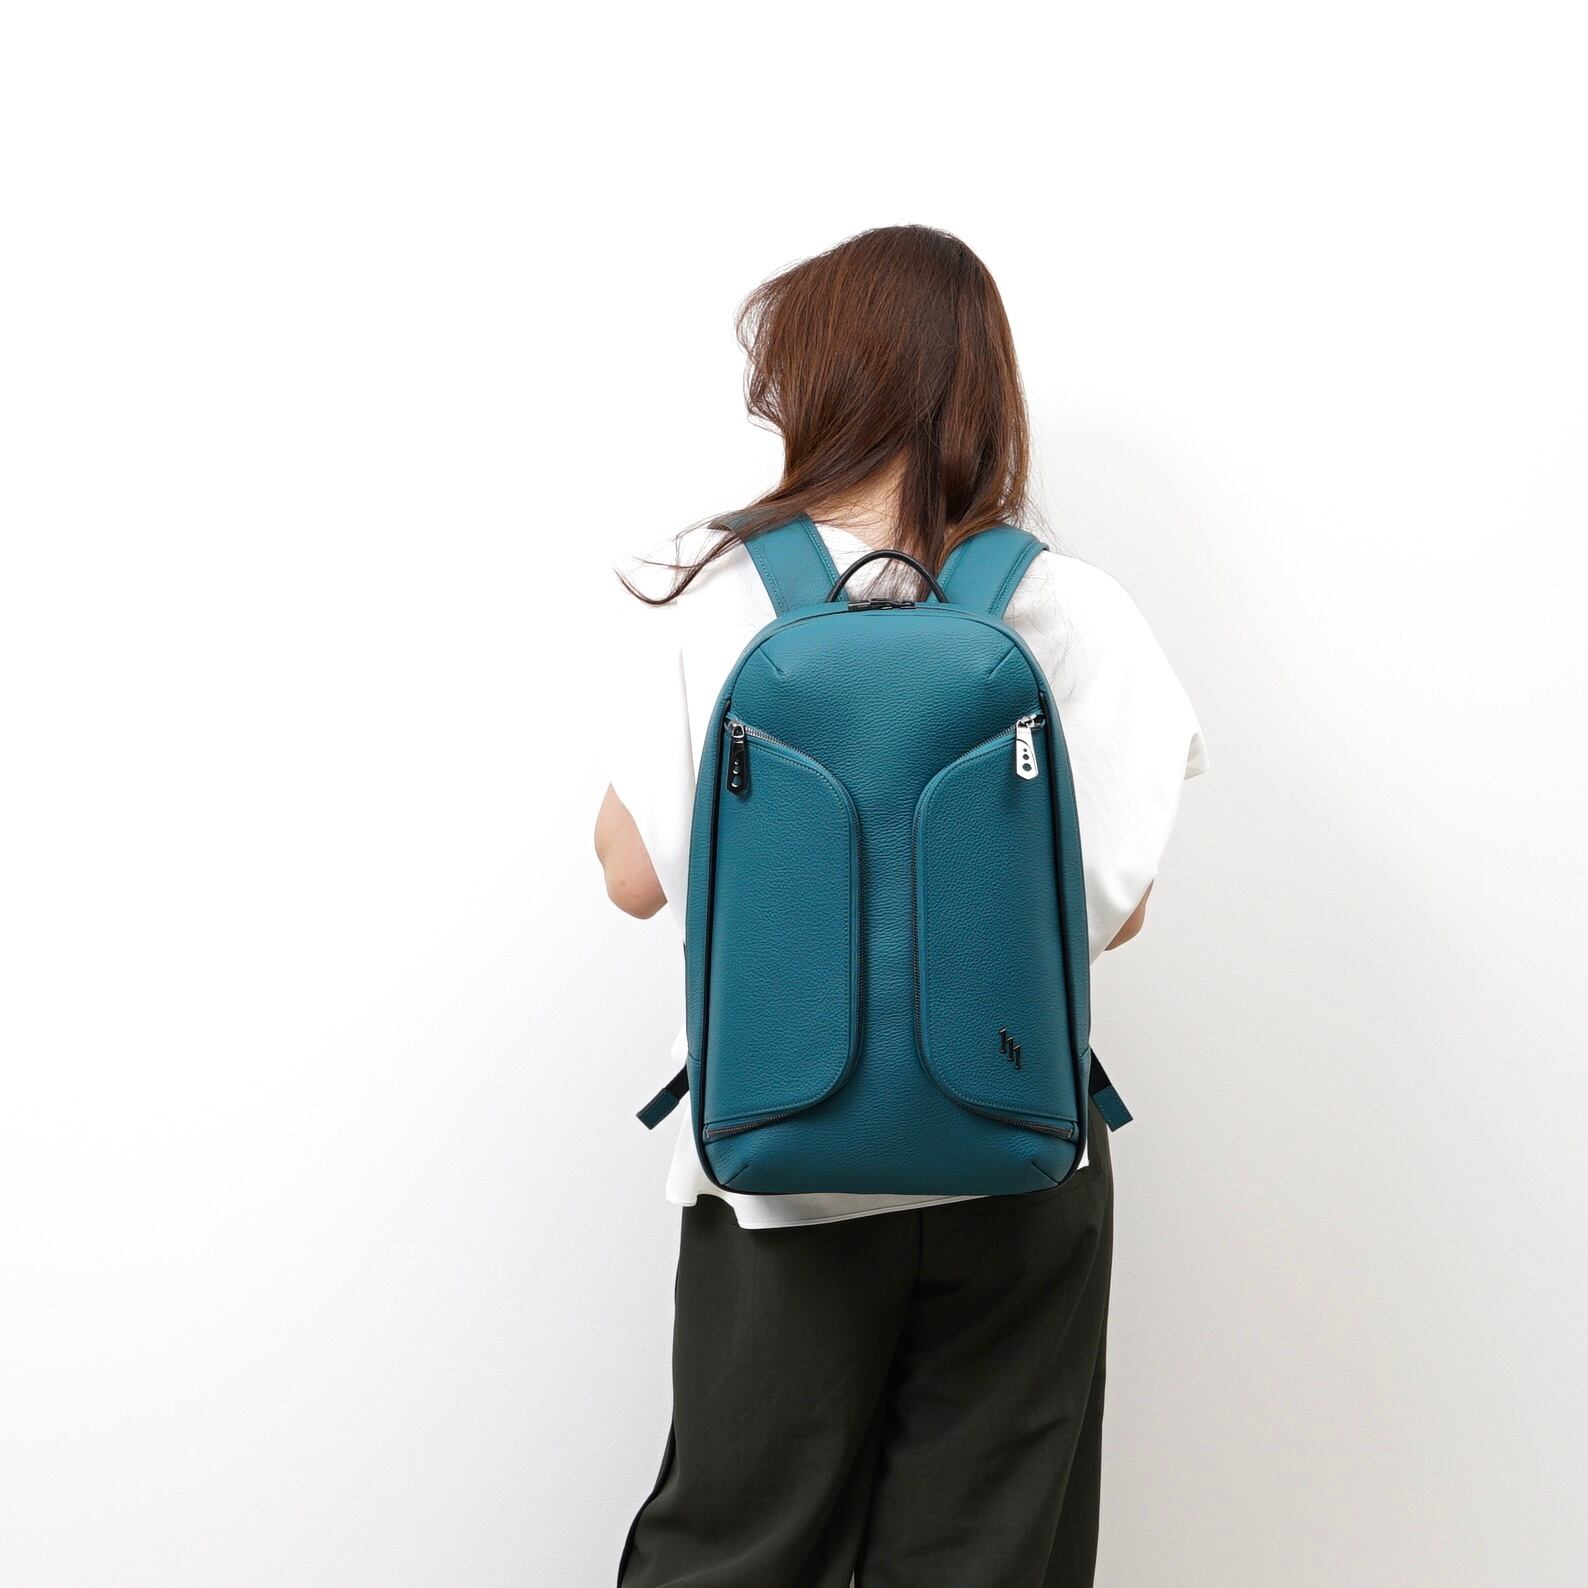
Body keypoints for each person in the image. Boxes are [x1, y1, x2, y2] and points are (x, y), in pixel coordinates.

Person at [595, 225, 1206, 1587]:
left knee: (735, 1548)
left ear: (818, 380)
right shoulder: (1070, 606)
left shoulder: (718, 587)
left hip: (780, 1162)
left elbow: (632, 879)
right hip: (1016, 1152)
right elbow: (1114, 916)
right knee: (988, 1557)